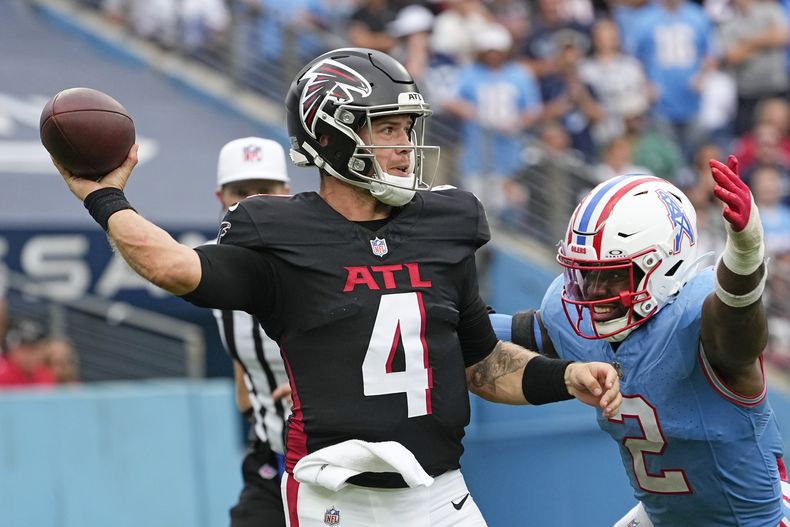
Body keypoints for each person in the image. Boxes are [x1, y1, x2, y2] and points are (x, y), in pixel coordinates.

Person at [52, 47, 621, 526]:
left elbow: (481, 364)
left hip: (443, 494)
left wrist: (563, 376)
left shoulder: (447, 223)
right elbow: (173, 267)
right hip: (338, 502)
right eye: (386, 128)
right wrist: (102, 196)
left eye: (406, 127)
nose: (404, 144)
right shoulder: (279, 232)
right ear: (332, 136)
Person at [492, 158, 790, 525]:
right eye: (587, 275)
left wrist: (745, 255)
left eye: (614, 275)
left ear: (664, 265)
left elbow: (739, 329)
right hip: (660, 517)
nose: (595, 293)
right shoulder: (573, 319)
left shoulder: (700, 320)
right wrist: (433, 313)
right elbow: (504, 333)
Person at [212, 136, 293, 527]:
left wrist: (327, 385)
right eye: (241, 192)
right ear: (220, 196)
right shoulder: (210, 265)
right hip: (272, 456)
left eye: (265, 190)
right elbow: (243, 358)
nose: (253, 202)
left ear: (287, 193)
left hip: (343, 452)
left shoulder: (323, 256)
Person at [0, 319, 55, 388]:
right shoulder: (2, 375)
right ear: (12, 351)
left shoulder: (45, 375)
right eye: (25, 350)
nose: (31, 356)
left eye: (35, 349)